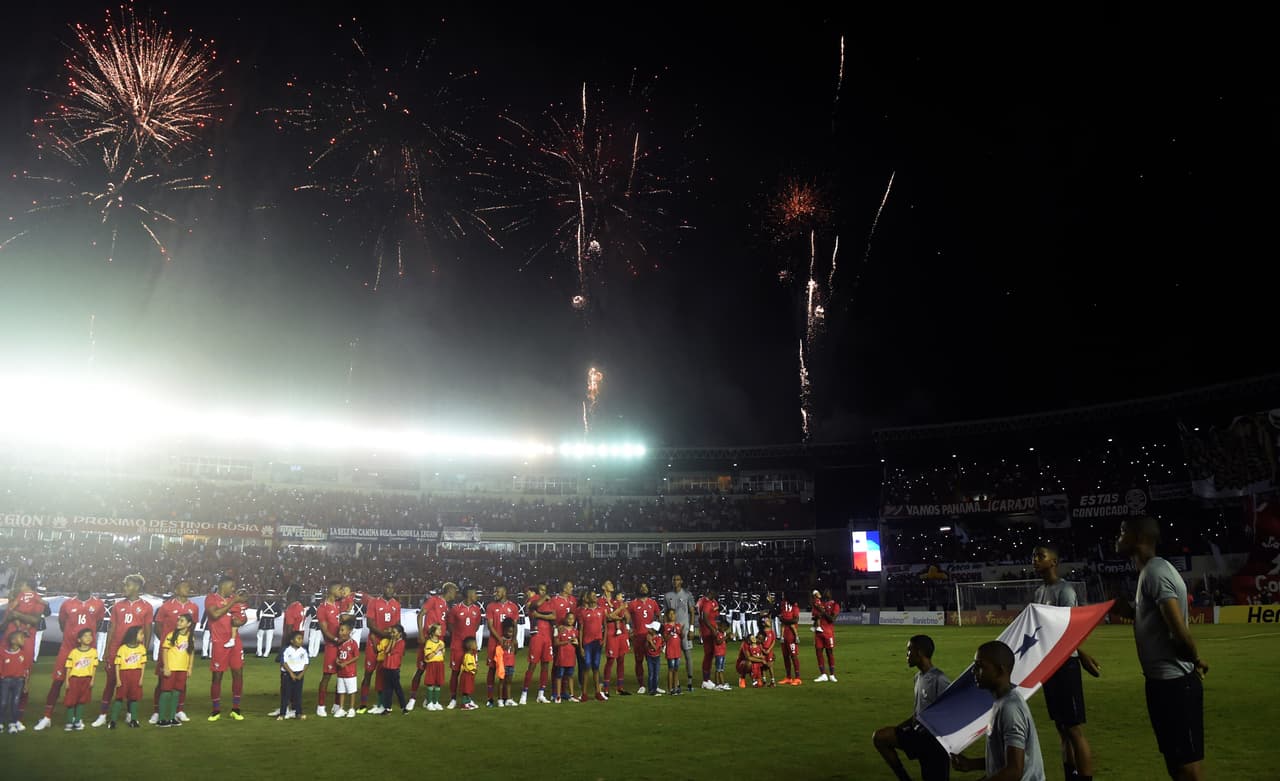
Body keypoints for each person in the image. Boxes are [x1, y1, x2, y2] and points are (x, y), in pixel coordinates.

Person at [1115, 517, 1207, 781]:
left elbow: (1179, 632)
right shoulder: (1149, 572)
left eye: (1123, 532)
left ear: (1139, 538)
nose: (1117, 537)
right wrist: (1131, 613)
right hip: (1160, 683)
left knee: (1188, 768)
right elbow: (1157, 621)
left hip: (1175, 685)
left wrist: (1194, 658)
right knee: (1177, 765)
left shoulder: (1156, 572)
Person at [1032, 545, 1100, 781]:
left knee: (1073, 729)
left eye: (1040, 556)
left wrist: (1081, 654)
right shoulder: (1040, 592)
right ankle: (1070, 775)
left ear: (1054, 562)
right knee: (1061, 728)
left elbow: (1071, 630)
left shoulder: (1065, 591)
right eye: (1034, 556)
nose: (1035, 560)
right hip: (1050, 665)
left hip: (1066, 665)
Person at [950, 641, 1046, 781]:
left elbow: (1014, 771)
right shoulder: (1002, 701)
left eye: (980, 666)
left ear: (1000, 670)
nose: (973, 671)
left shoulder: (1010, 708)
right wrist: (971, 764)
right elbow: (1006, 761)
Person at [873, 635, 952, 781]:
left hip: (934, 744)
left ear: (920, 653)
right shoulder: (918, 677)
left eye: (909, 650)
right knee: (880, 737)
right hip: (918, 735)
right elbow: (918, 714)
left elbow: (950, 711)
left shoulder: (939, 679)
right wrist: (899, 729)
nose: (907, 655)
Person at [35, 584, 104, 731]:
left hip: (86, 651)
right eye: (81, 579)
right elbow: (62, 624)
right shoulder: (67, 604)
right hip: (67, 648)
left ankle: (75, 718)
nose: (83, 581)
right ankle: (47, 717)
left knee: (82, 684)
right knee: (57, 682)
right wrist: (71, 636)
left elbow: (96, 625)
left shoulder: (98, 604)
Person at [92, 574, 153, 727]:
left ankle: (130, 714)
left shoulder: (146, 606)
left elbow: (147, 629)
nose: (124, 588)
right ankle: (103, 715)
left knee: (132, 684)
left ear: (137, 587)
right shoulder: (118, 606)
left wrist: (144, 650)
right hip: (115, 649)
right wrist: (107, 650)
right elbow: (111, 628)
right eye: (125, 585)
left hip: (134, 652)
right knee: (111, 683)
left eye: (128, 585)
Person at [150, 579, 200, 724]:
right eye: (184, 586)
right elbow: (157, 626)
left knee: (182, 682)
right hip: (168, 650)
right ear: (176, 590)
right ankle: (157, 711)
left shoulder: (194, 607)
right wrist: (169, 643)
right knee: (162, 680)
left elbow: (193, 626)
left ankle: (178, 710)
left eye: (188, 587)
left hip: (183, 651)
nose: (187, 589)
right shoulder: (166, 606)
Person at [205, 575, 248, 722]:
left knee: (238, 673)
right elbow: (215, 614)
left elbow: (243, 617)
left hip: (235, 641)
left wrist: (240, 621)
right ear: (223, 585)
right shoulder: (211, 598)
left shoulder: (233, 599)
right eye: (232, 586)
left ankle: (236, 708)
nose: (233, 589)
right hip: (219, 642)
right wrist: (233, 602)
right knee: (217, 676)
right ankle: (216, 709)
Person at [1, 577, 44, 727]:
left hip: (25, 642)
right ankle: (3, 716)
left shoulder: (37, 601)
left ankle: (17, 717)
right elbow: (3, 625)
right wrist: (10, 617)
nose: (20, 587)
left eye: (22, 584)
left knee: (23, 678)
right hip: (6, 642)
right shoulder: (14, 602)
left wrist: (17, 615)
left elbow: (36, 620)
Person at [408, 582, 456, 711]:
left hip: (439, 643)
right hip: (427, 641)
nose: (455, 594)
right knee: (421, 669)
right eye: (454, 591)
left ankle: (429, 700)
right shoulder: (434, 600)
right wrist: (420, 633)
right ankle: (412, 698)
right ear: (449, 591)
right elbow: (421, 614)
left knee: (435, 671)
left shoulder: (447, 606)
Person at [360, 579, 401, 714]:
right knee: (368, 673)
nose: (390, 590)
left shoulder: (396, 605)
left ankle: (381, 704)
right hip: (374, 643)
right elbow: (370, 624)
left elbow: (398, 626)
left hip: (388, 646)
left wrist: (392, 638)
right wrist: (385, 635)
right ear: (383, 588)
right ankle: (363, 704)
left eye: (392, 588)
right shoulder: (374, 602)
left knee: (383, 675)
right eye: (387, 587)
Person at [156, 613, 195, 728]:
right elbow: (165, 651)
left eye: (182, 621)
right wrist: (166, 667)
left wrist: (190, 668)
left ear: (188, 624)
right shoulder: (171, 635)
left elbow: (191, 653)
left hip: (182, 669)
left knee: (176, 693)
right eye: (178, 620)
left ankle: (172, 717)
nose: (178, 622)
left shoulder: (190, 637)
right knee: (166, 692)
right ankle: (162, 718)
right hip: (171, 668)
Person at [446, 586, 483, 710]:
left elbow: (476, 626)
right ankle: (453, 698)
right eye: (474, 593)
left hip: (471, 647)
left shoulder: (477, 610)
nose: (476, 596)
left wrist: (469, 642)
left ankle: (467, 698)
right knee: (455, 672)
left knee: (470, 672)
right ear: (469, 594)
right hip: (457, 646)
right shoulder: (455, 609)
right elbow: (450, 625)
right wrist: (458, 637)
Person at [520, 583, 557, 705]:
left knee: (546, 665)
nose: (543, 592)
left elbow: (554, 616)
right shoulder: (533, 600)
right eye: (541, 590)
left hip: (547, 636)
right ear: (537, 591)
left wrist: (540, 615)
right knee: (532, 665)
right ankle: (524, 693)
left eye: (545, 590)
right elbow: (534, 606)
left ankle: (541, 694)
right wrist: (543, 601)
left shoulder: (549, 602)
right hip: (537, 636)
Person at [314, 581, 345, 717]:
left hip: (342, 645)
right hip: (332, 646)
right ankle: (321, 706)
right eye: (339, 589)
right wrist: (337, 640)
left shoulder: (340, 605)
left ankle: (337, 705)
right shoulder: (322, 608)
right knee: (327, 676)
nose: (341, 592)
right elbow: (325, 630)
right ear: (332, 590)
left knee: (342, 676)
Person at [484, 585, 519, 708]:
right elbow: (490, 625)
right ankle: (490, 698)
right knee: (492, 669)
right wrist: (500, 639)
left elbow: (515, 626)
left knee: (507, 670)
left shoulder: (513, 607)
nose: (495, 593)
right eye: (495, 591)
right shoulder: (491, 606)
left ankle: (505, 697)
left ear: (504, 592)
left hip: (508, 643)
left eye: (497, 591)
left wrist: (514, 640)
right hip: (495, 643)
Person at [108, 626, 147, 729]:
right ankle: (113, 721)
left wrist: (141, 678)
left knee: (134, 698)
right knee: (119, 698)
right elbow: (117, 664)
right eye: (141, 634)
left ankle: (133, 720)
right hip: (124, 675)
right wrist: (118, 679)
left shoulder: (142, 648)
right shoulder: (123, 648)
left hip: (136, 675)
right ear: (134, 635)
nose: (143, 636)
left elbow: (143, 664)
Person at [664, 575, 697, 693]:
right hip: (672, 632)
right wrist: (665, 630)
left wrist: (692, 628)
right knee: (674, 658)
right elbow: (666, 614)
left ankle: (689, 682)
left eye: (678, 579)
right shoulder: (667, 596)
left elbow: (692, 612)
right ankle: (676, 684)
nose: (676, 581)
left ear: (681, 581)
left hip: (684, 629)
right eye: (674, 579)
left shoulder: (687, 594)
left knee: (688, 656)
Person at [61, 628, 98, 731]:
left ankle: (77, 721)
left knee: (82, 701)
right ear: (79, 640)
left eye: (90, 635)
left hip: (86, 679)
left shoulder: (93, 652)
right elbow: (68, 667)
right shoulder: (74, 652)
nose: (88, 638)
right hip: (74, 680)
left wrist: (92, 680)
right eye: (85, 636)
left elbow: (94, 667)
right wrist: (67, 681)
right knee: (71, 701)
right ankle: (69, 722)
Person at [601, 581, 632, 697]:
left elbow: (627, 617)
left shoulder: (616, 601)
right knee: (610, 661)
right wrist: (619, 611)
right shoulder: (601, 601)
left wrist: (621, 608)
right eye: (608, 583)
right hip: (611, 633)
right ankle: (606, 689)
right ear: (603, 587)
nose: (611, 585)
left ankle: (620, 687)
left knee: (621, 660)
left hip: (622, 633)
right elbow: (608, 617)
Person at [628, 582, 660, 693]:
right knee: (639, 661)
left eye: (645, 587)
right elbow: (626, 616)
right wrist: (629, 629)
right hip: (638, 637)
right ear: (638, 589)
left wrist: (656, 631)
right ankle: (641, 685)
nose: (643, 588)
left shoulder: (653, 602)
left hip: (650, 636)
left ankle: (654, 685)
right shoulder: (632, 604)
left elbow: (659, 616)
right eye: (641, 586)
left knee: (653, 661)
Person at [577, 587, 607, 702]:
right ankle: (584, 693)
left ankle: (597, 692)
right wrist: (580, 646)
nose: (595, 597)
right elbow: (581, 629)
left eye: (596, 595)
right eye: (593, 596)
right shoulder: (583, 612)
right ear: (588, 598)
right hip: (587, 643)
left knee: (596, 667)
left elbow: (604, 625)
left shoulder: (601, 610)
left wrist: (604, 640)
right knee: (587, 667)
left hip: (597, 642)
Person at [1, 628, 32, 733]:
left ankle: (13, 723)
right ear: (13, 641)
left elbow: (26, 670)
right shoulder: (3, 653)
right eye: (21, 637)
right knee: (3, 702)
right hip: (5, 681)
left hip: (19, 681)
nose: (23, 640)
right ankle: (1, 722)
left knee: (15, 702)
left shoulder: (23, 654)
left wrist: (26, 684)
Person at [278, 630, 308, 721]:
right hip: (287, 675)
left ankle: (298, 713)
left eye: (301, 639)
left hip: (299, 675)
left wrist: (301, 675)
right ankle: (282, 713)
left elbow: (306, 663)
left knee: (298, 695)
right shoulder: (286, 650)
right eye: (298, 639)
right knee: (285, 695)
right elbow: (284, 662)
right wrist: (291, 673)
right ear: (292, 641)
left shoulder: (303, 651)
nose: (301, 641)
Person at [378, 624, 407, 715]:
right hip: (387, 667)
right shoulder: (391, 641)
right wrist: (392, 641)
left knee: (397, 689)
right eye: (392, 633)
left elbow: (391, 651)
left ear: (400, 634)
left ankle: (404, 707)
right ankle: (388, 708)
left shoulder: (401, 643)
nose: (392, 634)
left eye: (394, 633)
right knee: (387, 689)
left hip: (394, 669)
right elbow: (386, 651)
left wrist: (393, 641)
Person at [813, 588, 840, 683]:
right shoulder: (820, 603)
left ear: (831, 594)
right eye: (824, 591)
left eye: (828, 591)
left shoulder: (835, 605)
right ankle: (823, 674)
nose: (825, 592)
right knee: (818, 653)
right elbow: (815, 616)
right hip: (819, 633)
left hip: (828, 633)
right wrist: (816, 616)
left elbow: (832, 619)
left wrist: (823, 612)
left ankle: (832, 675)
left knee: (829, 653)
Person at [334, 621, 359, 718]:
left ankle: (352, 709)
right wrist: (337, 661)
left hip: (350, 672)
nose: (340, 632)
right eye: (340, 630)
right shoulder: (340, 644)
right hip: (341, 672)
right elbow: (339, 656)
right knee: (341, 691)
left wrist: (346, 663)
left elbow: (356, 657)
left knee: (351, 691)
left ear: (349, 631)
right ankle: (341, 708)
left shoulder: (353, 644)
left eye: (342, 630)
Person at [418, 623, 446, 711]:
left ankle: (435, 702)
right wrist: (437, 649)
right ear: (433, 632)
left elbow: (442, 655)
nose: (440, 631)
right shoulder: (429, 643)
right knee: (430, 683)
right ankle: (429, 703)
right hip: (432, 665)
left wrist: (443, 650)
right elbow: (428, 657)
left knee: (438, 683)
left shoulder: (441, 642)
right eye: (438, 630)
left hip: (440, 664)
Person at [698, 587, 721, 690]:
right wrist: (712, 629)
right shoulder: (707, 602)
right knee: (709, 654)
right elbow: (704, 617)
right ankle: (705, 680)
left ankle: (708, 679)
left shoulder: (707, 601)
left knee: (711, 654)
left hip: (710, 630)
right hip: (708, 632)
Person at [553, 612, 579, 703]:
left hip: (571, 657)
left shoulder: (575, 630)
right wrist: (567, 642)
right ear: (565, 619)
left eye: (572, 619)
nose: (570, 620)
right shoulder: (560, 629)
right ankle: (558, 695)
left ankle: (571, 694)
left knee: (570, 676)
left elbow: (576, 642)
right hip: (561, 657)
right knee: (559, 676)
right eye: (569, 618)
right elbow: (556, 643)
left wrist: (576, 643)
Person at [778, 591, 802, 685]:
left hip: (791, 634)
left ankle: (798, 678)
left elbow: (796, 619)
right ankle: (788, 677)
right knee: (785, 656)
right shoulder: (783, 604)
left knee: (793, 655)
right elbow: (782, 617)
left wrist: (784, 620)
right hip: (784, 635)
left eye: (784, 594)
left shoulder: (794, 606)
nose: (782, 595)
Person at [495, 618, 518, 707]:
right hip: (503, 665)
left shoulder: (513, 641)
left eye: (511, 632)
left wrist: (514, 646)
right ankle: (500, 700)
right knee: (501, 682)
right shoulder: (501, 641)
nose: (510, 634)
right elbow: (498, 653)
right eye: (508, 632)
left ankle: (508, 699)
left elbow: (515, 652)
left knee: (509, 682)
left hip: (511, 664)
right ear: (504, 631)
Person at [662, 608, 684, 695]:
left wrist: (681, 632)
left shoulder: (678, 625)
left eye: (673, 614)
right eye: (670, 614)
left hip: (677, 651)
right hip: (670, 651)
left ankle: (676, 688)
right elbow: (665, 638)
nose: (672, 615)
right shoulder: (666, 626)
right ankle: (670, 689)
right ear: (667, 616)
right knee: (671, 669)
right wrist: (671, 632)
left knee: (676, 670)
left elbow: (681, 637)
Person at [256, 590, 280, 659]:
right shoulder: (276, 604)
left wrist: (258, 618)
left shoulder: (263, 603)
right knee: (269, 639)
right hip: (271, 621)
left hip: (263, 621)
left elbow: (258, 611)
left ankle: (259, 653)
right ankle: (266, 653)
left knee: (259, 637)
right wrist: (274, 616)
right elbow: (279, 613)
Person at [458, 636, 479, 710]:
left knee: (468, 690)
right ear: (470, 646)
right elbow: (468, 666)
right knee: (466, 690)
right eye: (475, 644)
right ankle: (464, 704)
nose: (477, 645)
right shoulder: (467, 656)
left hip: (470, 675)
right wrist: (474, 669)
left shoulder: (471, 655)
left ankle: (468, 702)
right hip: (467, 675)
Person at [644, 621, 663, 696]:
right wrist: (647, 641)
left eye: (650, 628)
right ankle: (651, 690)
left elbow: (655, 648)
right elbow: (645, 647)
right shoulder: (648, 636)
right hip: (649, 657)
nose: (648, 629)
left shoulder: (658, 638)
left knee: (656, 674)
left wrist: (650, 641)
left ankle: (655, 689)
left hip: (656, 658)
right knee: (651, 674)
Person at [712, 617, 729, 690]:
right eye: (723, 627)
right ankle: (717, 684)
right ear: (720, 626)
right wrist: (726, 637)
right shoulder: (718, 634)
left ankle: (722, 683)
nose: (724, 629)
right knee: (718, 669)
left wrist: (728, 638)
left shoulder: (723, 633)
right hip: (718, 654)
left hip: (722, 654)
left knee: (721, 670)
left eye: (726, 628)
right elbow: (718, 642)